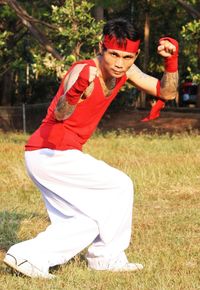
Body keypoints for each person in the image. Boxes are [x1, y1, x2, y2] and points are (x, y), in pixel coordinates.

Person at [4, 18, 179, 278]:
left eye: (127, 57)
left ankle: (29, 256)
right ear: (101, 47)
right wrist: (75, 92)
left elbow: (167, 93)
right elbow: (61, 114)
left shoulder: (127, 71)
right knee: (119, 185)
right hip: (50, 152)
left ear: (136, 55)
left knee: (85, 222)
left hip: (55, 155)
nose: (120, 63)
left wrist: (171, 62)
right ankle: (107, 258)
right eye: (114, 55)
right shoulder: (82, 70)